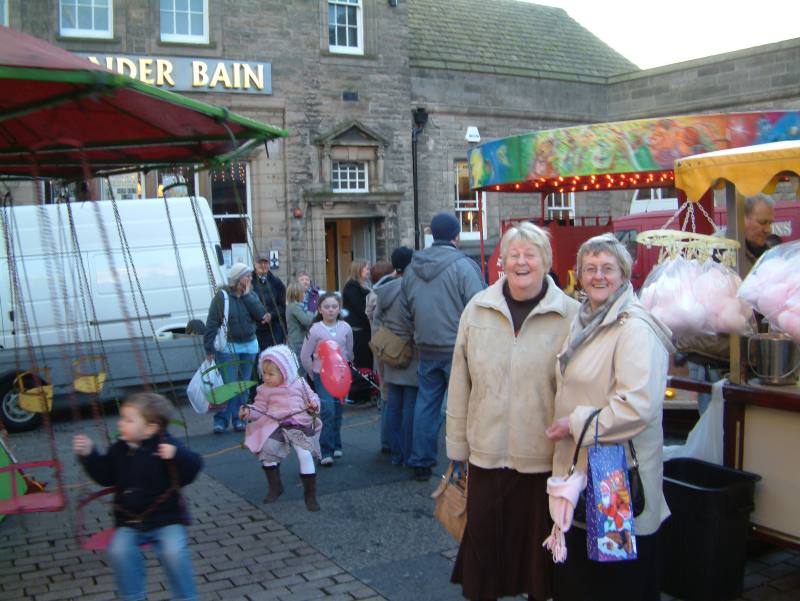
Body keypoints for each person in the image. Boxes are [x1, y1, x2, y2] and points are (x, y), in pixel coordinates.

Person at [447, 223, 579, 601]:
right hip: (486, 455)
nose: (521, 262)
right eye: (513, 255)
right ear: (501, 261)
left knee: (539, 557)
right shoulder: (478, 308)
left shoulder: (569, 314)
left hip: (542, 459)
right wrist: (457, 446)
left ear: (546, 261)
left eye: (530, 254)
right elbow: (460, 381)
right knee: (484, 548)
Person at [545, 233, 673, 601]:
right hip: (586, 472)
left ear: (624, 273)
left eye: (607, 269)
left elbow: (636, 407)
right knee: (588, 577)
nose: (598, 276)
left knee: (617, 582)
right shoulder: (585, 318)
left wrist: (574, 423)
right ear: (579, 275)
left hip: (618, 476)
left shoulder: (634, 328)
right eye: (590, 269)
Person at [73, 392, 203, 601]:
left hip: (166, 519)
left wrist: (177, 456)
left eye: (128, 420)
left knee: (173, 552)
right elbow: (105, 476)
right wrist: (89, 455)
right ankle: (132, 596)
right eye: (122, 418)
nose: (120, 424)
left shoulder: (165, 445)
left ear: (150, 428)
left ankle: (185, 596)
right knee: (118, 550)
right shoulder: (119, 449)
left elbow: (193, 468)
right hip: (131, 522)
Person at [400, 212, 485, 481]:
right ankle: (467, 462)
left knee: (426, 403)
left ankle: (421, 462)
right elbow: (480, 306)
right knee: (465, 405)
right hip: (458, 347)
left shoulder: (412, 267)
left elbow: (405, 309)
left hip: (426, 345)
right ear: (457, 237)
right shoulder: (464, 265)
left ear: (431, 234)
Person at [679, 193, 776, 413]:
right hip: (713, 358)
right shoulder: (719, 252)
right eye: (763, 222)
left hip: (740, 358)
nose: (768, 229)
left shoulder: (762, 253)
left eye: (771, 222)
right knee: (718, 428)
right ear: (741, 219)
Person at [239, 345, 322, 511]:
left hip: (299, 424)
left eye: (271, 374)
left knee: (304, 453)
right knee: (267, 452)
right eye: (264, 374)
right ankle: (275, 486)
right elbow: (259, 408)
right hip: (274, 425)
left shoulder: (299, 383)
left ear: (285, 371)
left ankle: (310, 495)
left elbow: (314, 398)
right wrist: (248, 412)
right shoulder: (263, 389)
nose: (267, 378)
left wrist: (313, 405)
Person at [204, 262, 269, 434]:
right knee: (228, 385)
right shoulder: (222, 296)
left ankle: (239, 418)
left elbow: (261, 315)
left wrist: (247, 296)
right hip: (228, 346)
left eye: (249, 276)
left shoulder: (250, 295)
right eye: (246, 276)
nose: (250, 278)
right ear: (237, 278)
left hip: (249, 345)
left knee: (243, 385)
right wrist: (209, 349)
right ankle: (221, 420)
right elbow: (212, 323)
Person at [373, 248, 418, 465]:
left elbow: (377, 318)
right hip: (410, 350)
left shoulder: (385, 290)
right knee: (410, 406)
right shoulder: (413, 289)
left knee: (393, 404)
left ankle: (395, 453)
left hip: (389, 350)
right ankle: (409, 453)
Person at [300, 292, 354, 466]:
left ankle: (337, 444)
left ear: (339, 309)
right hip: (322, 375)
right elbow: (305, 355)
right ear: (320, 309)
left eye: (334, 307)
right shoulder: (315, 330)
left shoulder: (346, 327)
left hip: (341, 376)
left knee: (338, 410)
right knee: (328, 410)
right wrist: (312, 372)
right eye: (327, 307)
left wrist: (347, 368)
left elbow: (349, 351)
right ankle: (326, 450)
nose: (331, 310)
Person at [343, 260, 373, 374]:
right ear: (358, 269)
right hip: (358, 333)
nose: (368, 271)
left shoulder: (364, 286)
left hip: (364, 331)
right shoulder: (352, 287)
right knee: (361, 365)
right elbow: (361, 309)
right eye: (366, 268)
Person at [252, 252, 287, 350]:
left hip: (275, 328)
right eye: (260, 263)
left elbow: (283, 306)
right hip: (255, 329)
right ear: (255, 264)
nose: (263, 265)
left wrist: (271, 315)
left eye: (265, 263)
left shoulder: (277, 283)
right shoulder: (249, 282)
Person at [285, 278, 315, 368]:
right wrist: (311, 311)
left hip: (295, 341)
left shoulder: (291, 306)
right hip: (298, 342)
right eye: (303, 293)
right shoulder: (295, 306)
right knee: (301, 368)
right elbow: (307, 321)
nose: (304, 295)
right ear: (297, 294)